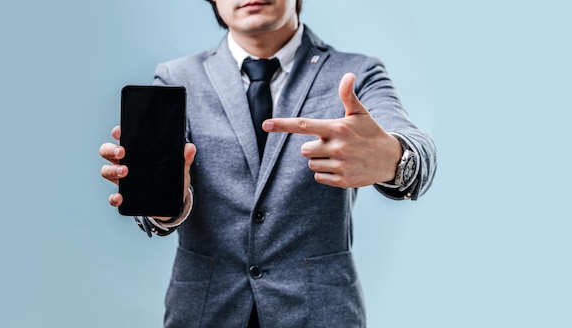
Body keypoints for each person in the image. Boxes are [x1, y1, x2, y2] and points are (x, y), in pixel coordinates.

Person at [100, 0, 436, 327]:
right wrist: (163, 203)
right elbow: (158, 197)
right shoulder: (177, 77)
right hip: (204, 312)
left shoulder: (357, 73)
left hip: (321, 312)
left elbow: (415, 146)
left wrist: (393, 157)